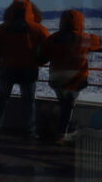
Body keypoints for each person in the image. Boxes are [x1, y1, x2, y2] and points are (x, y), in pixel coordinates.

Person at [0, 0, 49, 137]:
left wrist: (4, 57)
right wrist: (39, 60)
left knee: (2, 99)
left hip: (6, 69)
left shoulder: (2, 28)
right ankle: (29, 131)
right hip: (28, 69)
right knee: (28, 102)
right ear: (32, 11)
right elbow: (48, 48)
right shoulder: (38, 29)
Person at [41, 9, 101, 140]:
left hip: (56, 78)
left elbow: (42, 55)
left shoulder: (53, 38)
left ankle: (67, 127)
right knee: (68, 105)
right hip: (76, 78)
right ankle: (63, 132)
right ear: (80, 22)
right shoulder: (84, 38)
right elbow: (98, 43)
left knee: (64, 104)